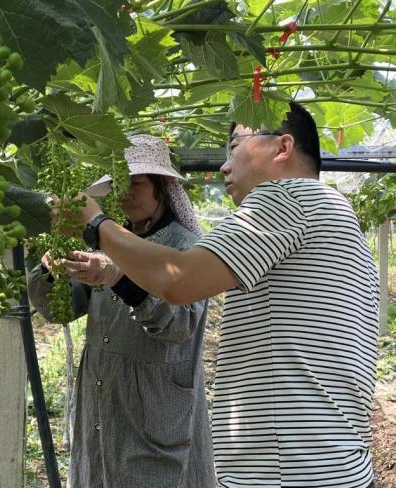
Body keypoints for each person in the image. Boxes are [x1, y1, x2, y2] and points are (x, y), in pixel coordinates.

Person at [74, 102, 379, 488]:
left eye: (234, 146)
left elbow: (179, 281)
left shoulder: (286, 198)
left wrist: (95, 223)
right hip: (331, 465)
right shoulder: (334, 210)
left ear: (282, 148)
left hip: (285, 472)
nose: (223, 166)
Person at [27, 134, 217, 488]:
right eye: (119, 183)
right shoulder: (112, 240)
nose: (126, 192)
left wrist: (118, 275)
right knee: (100, 471)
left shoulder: (188, 248)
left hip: (155, 407)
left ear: (163, 187)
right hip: (104, 396)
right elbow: (60, 310)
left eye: (137, 183)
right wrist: (51, 271)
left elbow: (178, 324)